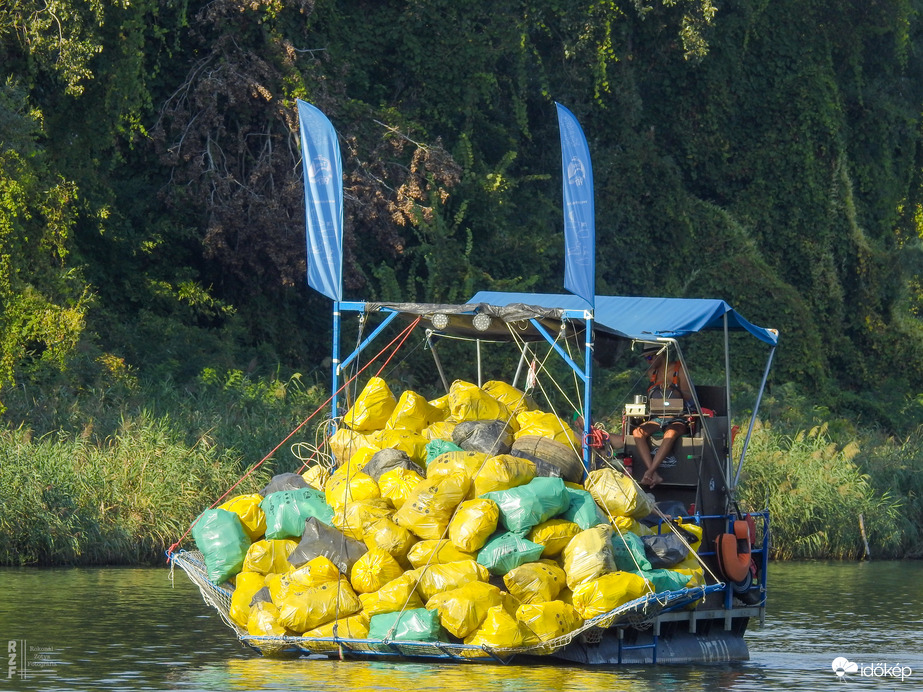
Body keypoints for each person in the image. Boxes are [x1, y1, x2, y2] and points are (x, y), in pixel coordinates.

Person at [631, 344, 694, 487]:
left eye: (650, 357)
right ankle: (654, 473)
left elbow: (690, 397)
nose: (648, 361)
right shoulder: (652, 372)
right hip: (657, 417)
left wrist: (673, 388)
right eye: (646, 358)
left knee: (670, 433)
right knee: (637, 432)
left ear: (661, 354)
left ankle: (650, 471)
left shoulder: (680, 370)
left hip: (679, 417)